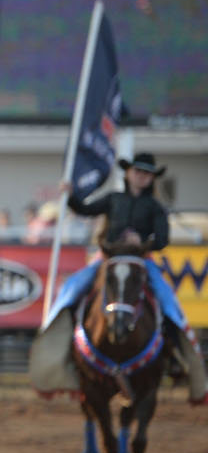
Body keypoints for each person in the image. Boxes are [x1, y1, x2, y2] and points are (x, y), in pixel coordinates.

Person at [34, 153, 206, 403]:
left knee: (169, 302)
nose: (141, 176)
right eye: (138, 171)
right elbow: (84, 209)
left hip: (141, 261)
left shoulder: (155, 207)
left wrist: (144, 242)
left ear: (151, 178)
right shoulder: (113, 199)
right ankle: (60, 348)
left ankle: (178, 356)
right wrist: (70, 194)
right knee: (72, 288)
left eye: (146, 174)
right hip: (107, 259)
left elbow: (162, 239)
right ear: (128, 173)